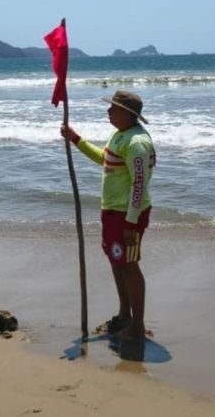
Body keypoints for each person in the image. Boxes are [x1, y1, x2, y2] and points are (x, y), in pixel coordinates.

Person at [61, 90, 156, 339]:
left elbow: (139, 184)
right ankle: (124, 314)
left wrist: (131, 222)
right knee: (118, 263)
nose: (108, 112)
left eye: (113, 108)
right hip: (112, 212)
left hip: (128, 215)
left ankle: (137, 324)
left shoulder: (137, 143)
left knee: (130, 266)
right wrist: (76, 139)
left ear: (127, 114)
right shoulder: (119, 135)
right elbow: (104, 159)